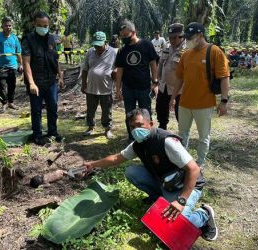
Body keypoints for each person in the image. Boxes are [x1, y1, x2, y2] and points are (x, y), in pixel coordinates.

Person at [84, 108, 218, 241]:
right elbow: (116, 158)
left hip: (185, 186)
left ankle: (204, 214)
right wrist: (93, 164)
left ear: (151, 124)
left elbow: (193, 169)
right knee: (132, 172)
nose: (136, 130)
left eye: (140, 125)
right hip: (166, 183)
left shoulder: (166, 141)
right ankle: (158, 199)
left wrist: (181, 201)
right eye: (132, 127)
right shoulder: (138, 145)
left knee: (175, 228)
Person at [169, 22, 230, 166]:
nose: (187, 40)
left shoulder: (214, 51)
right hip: (184, 103)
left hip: (204, 104)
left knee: (203, 137)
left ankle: (200, 163)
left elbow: (224, 77)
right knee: (182, 134)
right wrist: (173, 98)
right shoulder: (186, 55)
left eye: (191, 37)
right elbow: (179, 78)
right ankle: (183, 162)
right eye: (187, 37)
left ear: (200, 35)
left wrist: (224, 101)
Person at [22, 11, 64, 145]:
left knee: (53, 107)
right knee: (36, 110)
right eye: (40, 25)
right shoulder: (28, 39)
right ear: (34, 24)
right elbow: (26, 63)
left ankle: (53, 132)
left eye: (45, 25)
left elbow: (55, 59)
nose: (43, 27)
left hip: (51, 81)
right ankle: (37, 135)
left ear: (48, 24)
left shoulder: (51, 38)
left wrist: (60, 76)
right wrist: (31, 83)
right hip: (36, 82)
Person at [115, 19, 159, 142]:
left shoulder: (146, 45)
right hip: (128, 88)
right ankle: (132, 139)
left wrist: (155, 82)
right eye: (122, 36)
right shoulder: (122, 50)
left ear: (133, 32)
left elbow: (153, 64)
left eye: (125, 35)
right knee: (129, 114)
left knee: (145, 113)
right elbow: (120, 71)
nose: (123, 38)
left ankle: (147, 138)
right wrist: (118, 89)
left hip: (144, 87)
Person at [81, 31, 117, 139]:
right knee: (90, 109)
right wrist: (83, 84)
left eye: (99, 45)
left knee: (107, 110)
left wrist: (115, 72)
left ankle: (107, 129)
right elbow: (85, 69)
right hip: (91, 87)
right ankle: (91, 127)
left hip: (106, 87)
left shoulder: (112, 52)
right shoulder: (90, 52)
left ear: (105, 42)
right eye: (95, 45)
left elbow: (118, 67)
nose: (97, 48)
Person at [156, 23, 186, 130]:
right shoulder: (167, 46)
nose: (172, 40)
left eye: (174, 37)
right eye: (170, 37)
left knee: (180, 113)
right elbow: (160, 63)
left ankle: (182, 132)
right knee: (160, 108)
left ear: (181, 36)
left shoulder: (187, 50)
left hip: (179, 89)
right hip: (164, 85)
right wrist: (157, 79)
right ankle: (162, 127)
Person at [0, 17, 23, 113]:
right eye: (6, 25)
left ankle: (11, 102)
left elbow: (18, 52)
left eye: (10, 26)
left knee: (12, 85)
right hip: (1, 66)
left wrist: (20, 64)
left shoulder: (15, 38)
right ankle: (4, 103)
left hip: (13, 66)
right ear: (2, 26)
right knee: (2, 86)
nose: (8, 27)